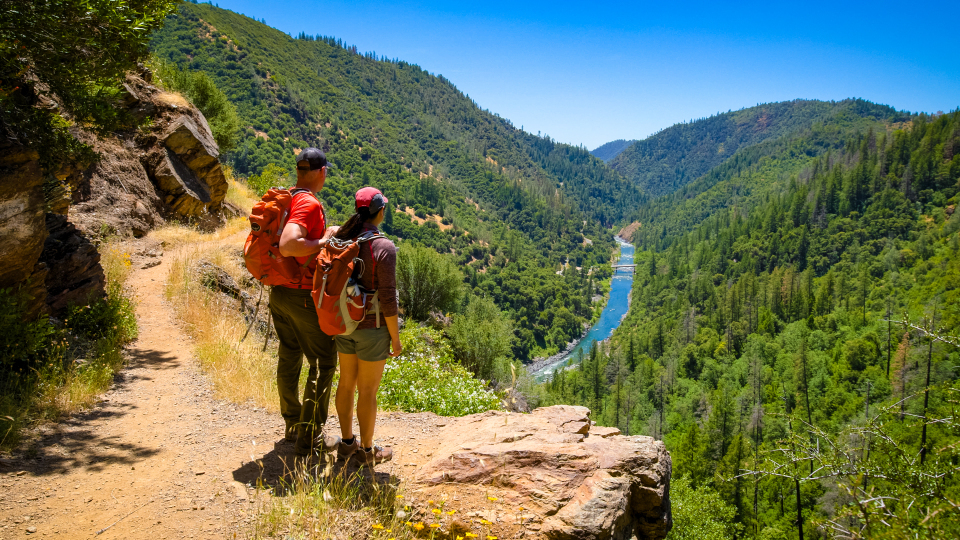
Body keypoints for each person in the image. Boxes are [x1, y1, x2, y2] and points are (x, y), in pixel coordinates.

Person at [272, 147, 339, 457]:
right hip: (300, 294)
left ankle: (292, 424)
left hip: (279, 290)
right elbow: (288, 245)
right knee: (323, 362)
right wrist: (325, 241)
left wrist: (319, 237)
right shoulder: (309, 203)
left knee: (289, 354)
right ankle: (309, 436)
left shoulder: (288, 197)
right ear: (321, 172)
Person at [331, 187, 402, 466]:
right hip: (372, 328)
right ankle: (368, 452)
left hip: (344, 324)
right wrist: (395, 340)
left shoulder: (343, 238)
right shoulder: (383, 246)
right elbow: (388, 298)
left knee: (346, 383)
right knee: (368, 391)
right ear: (380, 211)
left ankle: (347, 444)